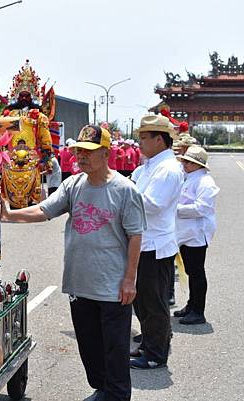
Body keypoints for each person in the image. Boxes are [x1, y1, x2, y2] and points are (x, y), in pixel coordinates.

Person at [1, 125, 146, 401]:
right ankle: (102, 389)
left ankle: (116, 395)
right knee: (89, 346)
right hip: (80, 283)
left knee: (115, 349)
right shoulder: (73, 185)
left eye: (89, 152)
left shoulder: (125, 190)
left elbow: (135, 236)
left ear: (106, 153)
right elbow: (44, 211)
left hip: (113, 287)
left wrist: (130, 279)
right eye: (79, 151)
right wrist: (9, 215)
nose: (81, 156)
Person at [130, 114, 183, 370]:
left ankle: (155, 354)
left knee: (154, 301)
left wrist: (124, 198)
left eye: (144, 138)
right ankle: (151, 341)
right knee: (142, 300)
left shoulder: (168, 168)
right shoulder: (152, 165)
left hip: (155, 244)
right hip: (144, 242)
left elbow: (152, 204)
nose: (139, 143)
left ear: (159, 140)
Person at [174, 146, 219, 325]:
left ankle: (198, 311)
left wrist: (175, 209)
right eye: (184, 161)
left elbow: (202, 208)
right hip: (187, 232)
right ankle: (191, 305)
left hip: (197, 233)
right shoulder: (190, 177)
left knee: (196, 272)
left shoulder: (205, 182)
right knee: (191, 271)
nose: (184, 164)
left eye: (188, 161)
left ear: (197, 164)